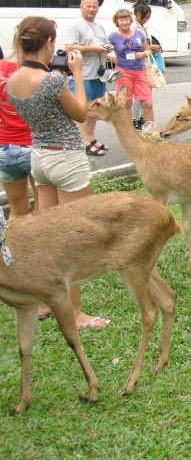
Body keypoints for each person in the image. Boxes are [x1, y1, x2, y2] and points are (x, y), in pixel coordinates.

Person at [6, 17, 107, 329]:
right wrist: (76, 74)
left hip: (40, 158)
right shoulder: (51, 80)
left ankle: (42, 305)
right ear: (49, 43)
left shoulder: (12, 80)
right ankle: (74, 314)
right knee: (74, 239)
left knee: (44, 237)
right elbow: (80, 111)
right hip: (66, 159)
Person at [64, 0, 112, 156]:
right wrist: (93, 48)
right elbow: (69, 47)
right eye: (88, 6)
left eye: (94, 6)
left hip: (99, 74)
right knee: (82, 109)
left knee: (95, 109)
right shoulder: (76, 25)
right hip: (82, 75)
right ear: (81, 7)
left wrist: (107, 48)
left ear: (98, 8)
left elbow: (102, 43)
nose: (91, 9)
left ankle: (91, 137)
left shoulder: (99, 25)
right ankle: (83, 141)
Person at [0, 54, 38, 218]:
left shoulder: (1, 67)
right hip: (34, 144)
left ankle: (12, 244)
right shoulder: (38, 69)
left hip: (5, 146)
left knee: (16, 211)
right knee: (43, 211)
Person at [107, 9, 155, 126]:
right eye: (121, 20)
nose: (124, 22)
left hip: (140, 71)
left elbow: (148, 50)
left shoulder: (139, 33)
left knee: (148, 103)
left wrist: (143, 54)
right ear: (117, 21)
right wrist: (113, 59)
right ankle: (129, 132)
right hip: (123, 72)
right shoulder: (112, 37)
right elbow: (103, 51)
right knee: (126, 103)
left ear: (130, 20)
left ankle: (150, 132)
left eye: (127, 19)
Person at [133, 0, 163, 131]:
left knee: (145, 93)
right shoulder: (134, 27)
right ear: (138, 14)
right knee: (139, 94)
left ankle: (141, 117)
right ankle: (135, 119)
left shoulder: (143, 27)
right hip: (138, 64)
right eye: (146, 17)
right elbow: (139, 46)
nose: (147, 20)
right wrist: (153, 47)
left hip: (146, 62)